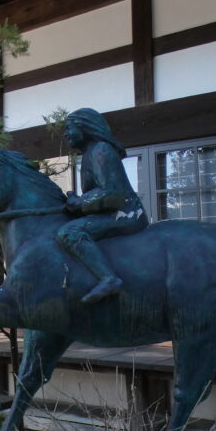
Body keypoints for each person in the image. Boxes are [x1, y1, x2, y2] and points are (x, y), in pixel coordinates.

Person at [58, 108, 148, 302]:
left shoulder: (101, 150)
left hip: (126, 214)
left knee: (69, 232)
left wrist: (79, 203)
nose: (65, 134)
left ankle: (109, 278)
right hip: (111, 213)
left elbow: (113, 193)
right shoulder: (89, 154)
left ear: (84, 127)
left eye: (69, 128)